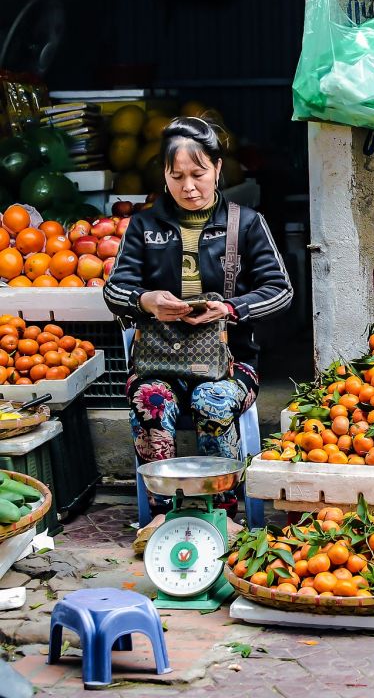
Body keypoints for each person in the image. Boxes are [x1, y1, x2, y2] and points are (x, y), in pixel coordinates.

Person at [104, 117, 292, 515]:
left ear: (218, 168)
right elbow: (114, 290)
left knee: (212, 400)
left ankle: (220, 513)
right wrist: (147, 300)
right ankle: (166, 514)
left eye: (199, 174)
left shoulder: (247, 224)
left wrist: (228, 308)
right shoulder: (144, 226)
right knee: (150, 399)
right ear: (165, 175)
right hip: (159, 364)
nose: (188, 187)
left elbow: (281, 292)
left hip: (231, 364)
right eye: (177, 176)